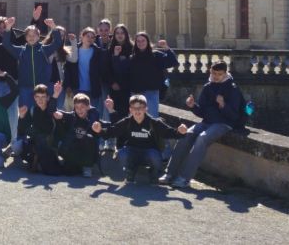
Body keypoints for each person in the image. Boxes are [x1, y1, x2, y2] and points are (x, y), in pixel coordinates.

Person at [160, 61, 244, 189]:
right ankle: (169, 174)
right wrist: (192, 106)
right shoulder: (208, 87)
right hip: (207, 122)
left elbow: (234, 116)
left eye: (219, 74)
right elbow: (202, 112)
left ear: (225, 73)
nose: (216, 76)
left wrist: (223, 105)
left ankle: (184, 178)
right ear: (210, 71)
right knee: (185, 134)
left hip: (224, 123)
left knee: (202, 138)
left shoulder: (232, 88)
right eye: (214, 73)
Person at [95, 95, 187, 182]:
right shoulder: (127, 122)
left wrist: (180, 131)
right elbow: (112, 131)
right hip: (132, 151)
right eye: (134, 108)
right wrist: (99, 130)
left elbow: (169, 132)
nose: (137, 111)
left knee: (154, 156)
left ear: (146, 109)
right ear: (130, 110)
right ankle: (130, 170)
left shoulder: (154, 122)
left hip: (150, 152)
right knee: (122, 154)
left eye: (140, 108)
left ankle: (154, 172)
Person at [1, 16, 61, 144]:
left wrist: (53, 27)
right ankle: (21, 140)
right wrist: (8, 28)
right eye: (28, 35)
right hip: (25, 89)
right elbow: (6, 44)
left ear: (39, 36)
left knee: (44, 114)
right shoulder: (21, 51)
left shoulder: (44, 49)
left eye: (34, 35)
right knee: (24, 114)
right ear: (25, 37)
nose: (31, 37)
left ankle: (45, 140)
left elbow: (57, 43)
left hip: (42, 90)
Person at [126, 32, 177, 117]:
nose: (140, 43)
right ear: (135, 43)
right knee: (135, 118)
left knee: (152, 117)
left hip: (151, 92)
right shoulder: (132, 58)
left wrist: (167, 48)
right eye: (138, 41)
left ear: (147, 42)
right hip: (136, 93)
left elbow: (173, 62)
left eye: (143, 40)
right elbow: (128, 76)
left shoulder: (156, 55)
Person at [15, 83, 61, 174]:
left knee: (50, 169)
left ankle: (40, 161)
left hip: (51, 142)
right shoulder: (32, 110)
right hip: (35, 141)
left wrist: (55, 95)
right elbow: (22, 130)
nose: (40, 100)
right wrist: (22, 117)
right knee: (18, 146)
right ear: (34, 98)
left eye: (43, 97)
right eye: (38, 97)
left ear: (48, 98)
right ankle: (36, 159)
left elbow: (51, 108)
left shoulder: (52, 110)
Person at [53, 93, 101, 177]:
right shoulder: (71, 116)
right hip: (74, 151)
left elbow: (109, 126)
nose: (79, 110)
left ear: (88, 107)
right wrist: (55, 96)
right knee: (68, 172)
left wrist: (111, 111)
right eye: (77, 107)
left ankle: (87, 166)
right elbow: (55, 111)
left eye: (82, 107)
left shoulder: (93, 117)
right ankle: (77, 165)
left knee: (89, 137)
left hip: (87, 151)